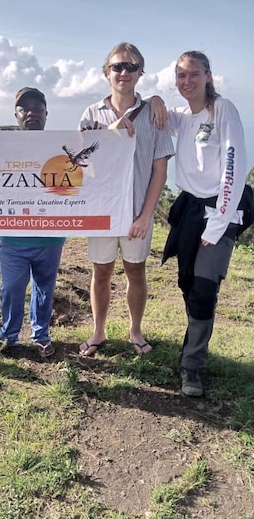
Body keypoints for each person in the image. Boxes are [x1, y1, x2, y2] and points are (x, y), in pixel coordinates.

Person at [78, 42, 174, 357]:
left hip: (136, 212)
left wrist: (146, 216)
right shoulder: (91, 114)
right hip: (102, 212)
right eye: (118, 66)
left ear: (140, 72)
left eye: (131, 67)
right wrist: (110, 134)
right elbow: (82, 166)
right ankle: (99, 331)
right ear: (107, 72)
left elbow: (160, 169)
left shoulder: (153, 112)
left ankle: (135, 330)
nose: (124, 72)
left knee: (136, 271)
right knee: (101, 272)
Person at [160, 51, 247, 396]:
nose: (187, 82)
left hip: (219, 212)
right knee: (187, 284)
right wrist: (152, 99)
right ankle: (192, 344)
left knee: (204, 291)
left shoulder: (222, 110)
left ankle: (191, 368)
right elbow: (148, 119)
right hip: (189, 211)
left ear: (208, 75)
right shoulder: (182, 116)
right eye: (180, 76)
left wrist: (218, 224)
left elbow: (233, 166)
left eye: (193, 74)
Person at [0, 87, 65, 357]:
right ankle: (8, 333)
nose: (31, 112)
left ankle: (41, 334)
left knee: (45, 288)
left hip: (51, 236)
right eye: (24, 109)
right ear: (16, 115)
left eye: (37, 108)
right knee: (11, 287)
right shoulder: (1, 148)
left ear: (46, 114)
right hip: (12, 238)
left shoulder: (62, 147)